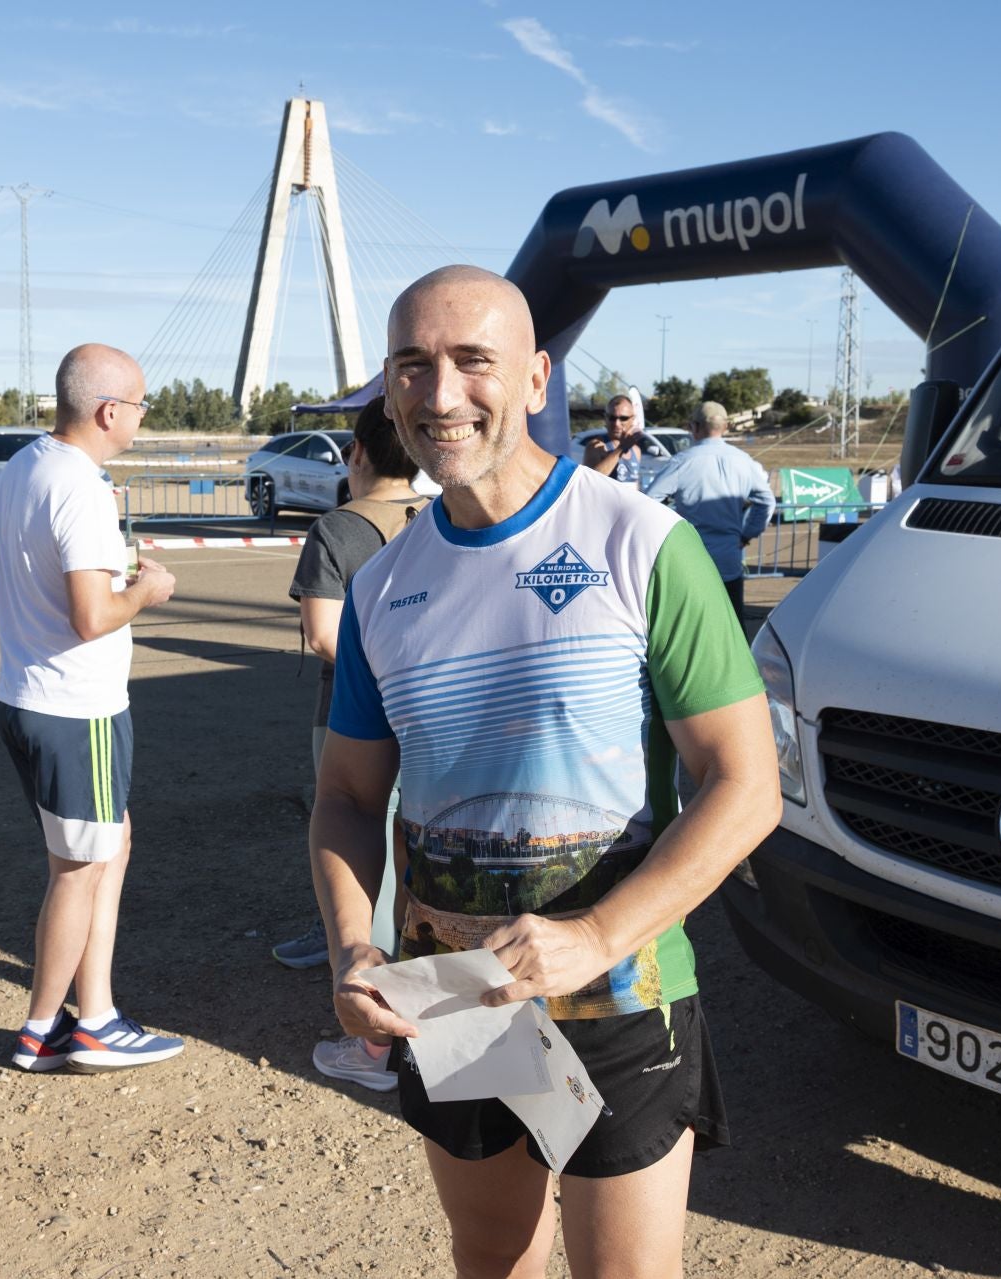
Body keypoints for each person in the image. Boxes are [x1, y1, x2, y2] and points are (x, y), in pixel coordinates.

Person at [310, 266, 781, 1279]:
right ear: (389, 389)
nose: (439, 395)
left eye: (471, 361)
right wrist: (353, 945)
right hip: (451, 991)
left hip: (619, 992)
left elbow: (747, 783)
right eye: (412, 366)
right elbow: (348, 797)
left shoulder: (640, 542)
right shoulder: (382, 584)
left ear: (534, 378)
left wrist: (597, 935)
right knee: (491, 1252)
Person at [0, 343, 186, 1074]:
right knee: (78, 869)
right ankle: (47, 1028)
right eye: (140, 406)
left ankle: (97, 1009)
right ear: (109, 411)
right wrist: (148, 589)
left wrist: (115, 579)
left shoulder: (26, 465)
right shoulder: (82, 486)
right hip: (78, 711)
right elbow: (91, 616)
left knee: (110, 843)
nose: (141, 418)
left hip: (30, 696)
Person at [270, 397, 430, 1093]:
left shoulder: (337, 529)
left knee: (359, 862)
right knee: (411, 862)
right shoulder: (438, 519)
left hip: (351, 717)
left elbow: (322, 634)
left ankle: (370, 1042)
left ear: (357, 454)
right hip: (427, 715)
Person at [643, 400, 775, 619]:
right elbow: (767, 501)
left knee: (693, 629)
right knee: (733, 628)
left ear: (695, 426)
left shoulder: (683, 461)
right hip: (729, 560)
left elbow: (649, 502)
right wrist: (747, 533)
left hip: (691, 560)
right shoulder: (743, 461)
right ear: (725, 427)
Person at [580, 393, 644, 483]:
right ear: (605, 418)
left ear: (632, 419)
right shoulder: (596, 447)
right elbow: (590, 482)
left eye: (623, 418)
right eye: (612, 418)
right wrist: (620, 449)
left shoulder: (636, 450)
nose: (616, 424)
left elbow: (635, 484)